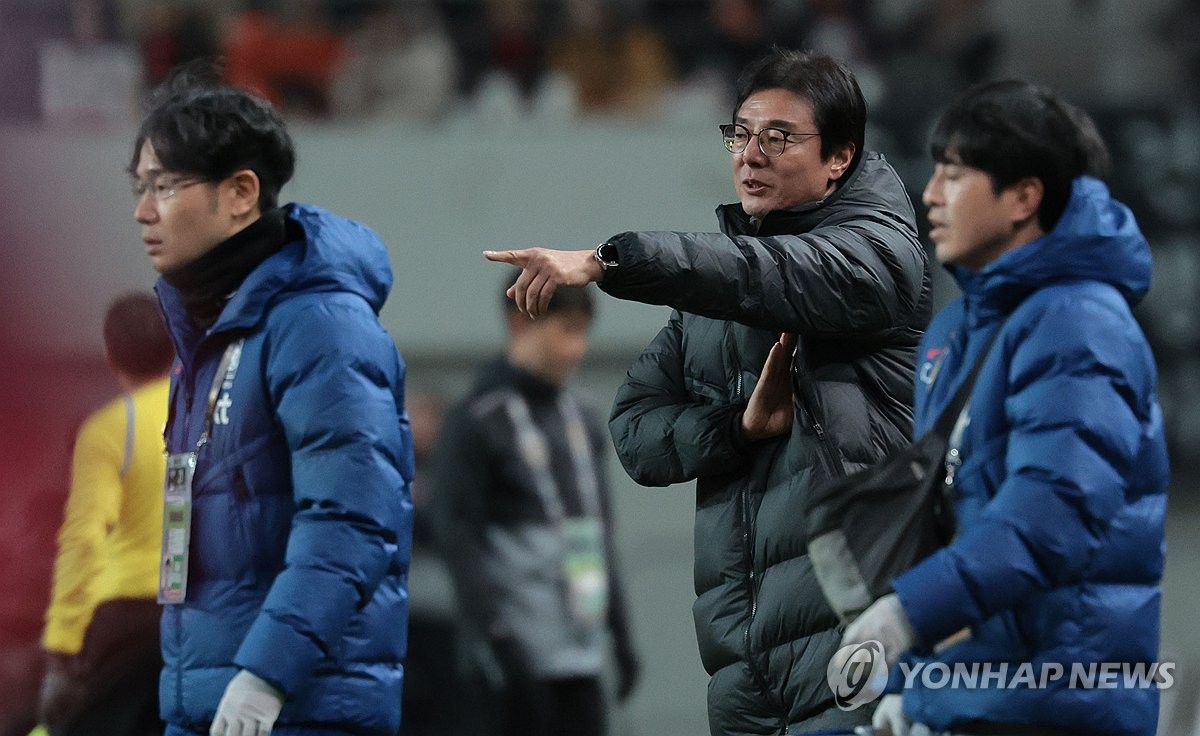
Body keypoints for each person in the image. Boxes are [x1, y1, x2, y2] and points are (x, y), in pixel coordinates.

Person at [485, 48, 930, 734]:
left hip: (858, 655)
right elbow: (634, 430)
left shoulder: (879, 255)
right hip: (744, 678)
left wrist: (610, 263)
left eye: (778, 138)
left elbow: (772, 274)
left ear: (840, 157)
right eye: (740, 135)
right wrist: (736, 431)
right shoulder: (713, 294)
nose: (750, 155)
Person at [840, 80, 1170, 736]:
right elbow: (950, 524)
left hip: (1060, 703)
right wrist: (916, 689)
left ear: (1024, 197)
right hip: (983, 693)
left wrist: (906, 614)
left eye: (956, 175)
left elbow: (1049, 516)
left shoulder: (1080, 321)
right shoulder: (956, 332)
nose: (931, 194)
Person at [129, 63, 414, 736]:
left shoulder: (320, 325)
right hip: (208, 706)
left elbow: (351, 520)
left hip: (299, 709)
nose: (142, 211)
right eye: (139, 187)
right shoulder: (209, 336)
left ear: (240, 193)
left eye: (165, 186)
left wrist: (264, 674)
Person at [431, 273, 641, 736]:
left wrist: (619, 632)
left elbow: (596, 532)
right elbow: (456, 533)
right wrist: (495, 637)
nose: (577, 349)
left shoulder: (581, 419)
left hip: (580, 654)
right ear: (520, 324)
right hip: (512, 662)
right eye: (566, 330)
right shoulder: (477, 419)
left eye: (583, 333)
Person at [37, 292, 173, 736]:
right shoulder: (211, 417)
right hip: (202, 612)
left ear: (109, 354)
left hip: (126, 619)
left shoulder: (108, 429)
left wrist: (62, 642)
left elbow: (85, 537)